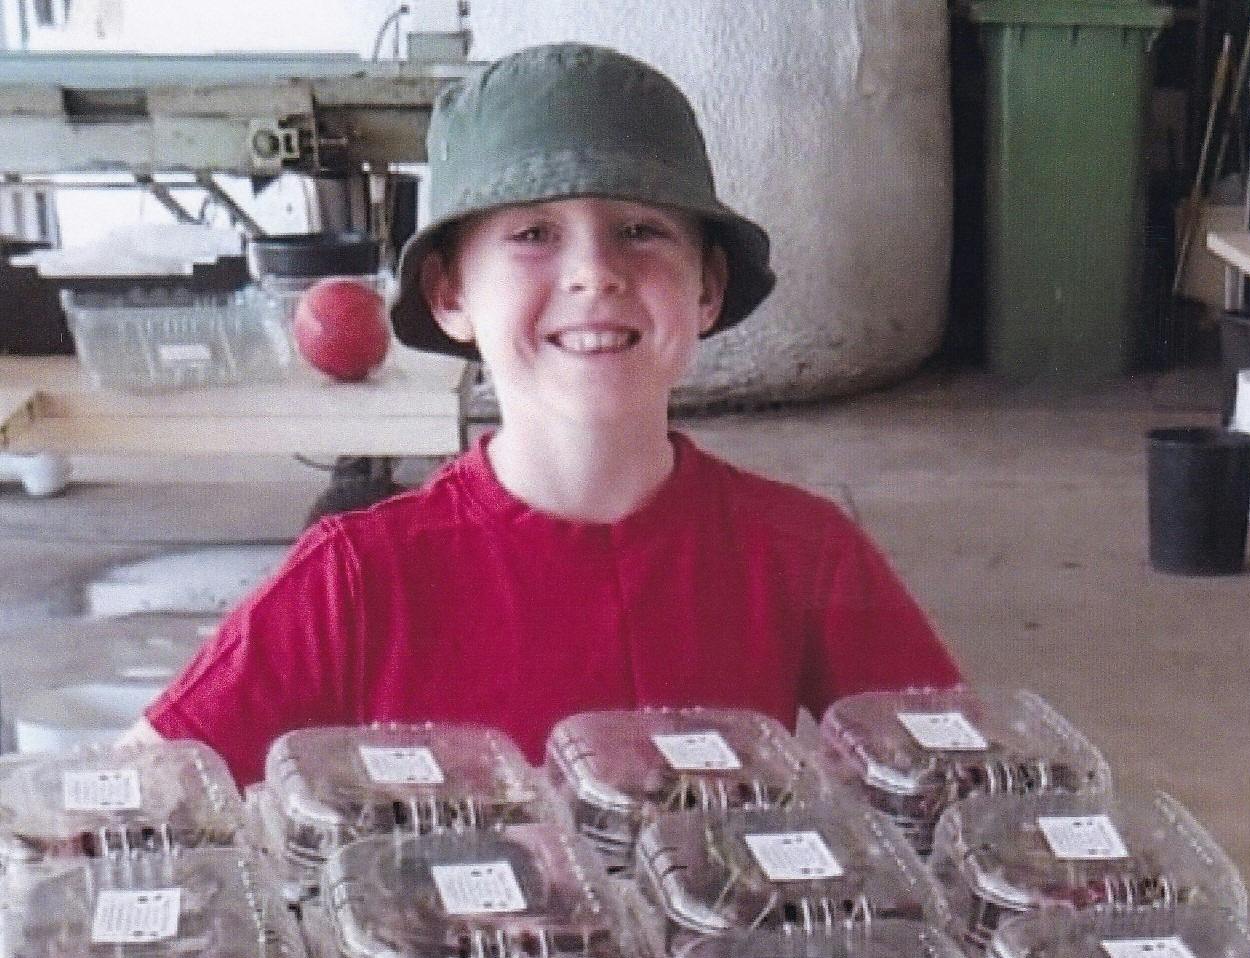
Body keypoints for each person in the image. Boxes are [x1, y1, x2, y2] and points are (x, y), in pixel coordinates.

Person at [133, 42, 959, 783]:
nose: (594, 273)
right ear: (450, 293)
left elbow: (965, 785)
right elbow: (133, 801)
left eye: (640, 229)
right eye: (533, 233)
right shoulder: (355, 581)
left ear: (705, 288)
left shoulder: (805, 554)